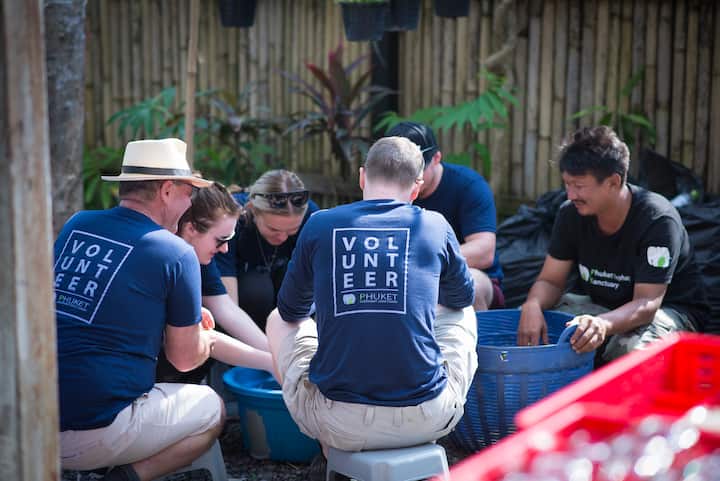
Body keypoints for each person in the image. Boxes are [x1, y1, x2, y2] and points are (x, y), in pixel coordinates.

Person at [265, 137, 478, 474]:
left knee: (277, 319)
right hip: (428, 418)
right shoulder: (435, 224)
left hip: (339, 422)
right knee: (462, 312)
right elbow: (461, 298)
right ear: (416, 187)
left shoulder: (320, 224)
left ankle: (329, 448)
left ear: (362, 176)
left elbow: (291, 311)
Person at [55, 138, 224, 481]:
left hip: (32, 416)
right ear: (166, 190)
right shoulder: (176, 252)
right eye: (189, 192)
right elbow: (184, 360)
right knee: (213, 408)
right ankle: (125, 477)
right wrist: (205, 338)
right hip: (99, 428)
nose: (190, 202)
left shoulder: (77, 224)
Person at [517, 126, 710, 365]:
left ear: (613, 182)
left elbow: (646, 304)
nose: (570, 195)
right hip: (601, 307)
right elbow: (550, 281)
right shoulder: (570, 213)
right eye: (567, 184)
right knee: (533, 324)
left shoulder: (658, 220)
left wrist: (602, 324)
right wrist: (532, 304)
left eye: (579, 186)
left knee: (630, 352)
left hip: (667, 312)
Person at [155, 181, 274, 384]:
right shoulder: (166, 260)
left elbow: (224, 308)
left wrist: (274, 357)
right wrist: (273, 361)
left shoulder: (198, 254)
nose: (225, 249)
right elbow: (197, 343)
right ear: (191, 229)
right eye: (221, 239)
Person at [385, 121, 504, 311]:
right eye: (399, 173)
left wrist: (422, 261)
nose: (407, 180)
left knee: (472, 285)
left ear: (436, 158)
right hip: (406, 275)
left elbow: (484, 252)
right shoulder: (386, 189)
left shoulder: (469, 186)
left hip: (471, 273)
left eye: (416, 170)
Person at [214, 169, 319, 331]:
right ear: (253, 210)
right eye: (273, 229)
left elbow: (319, 285)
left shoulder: (311, 216)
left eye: (292, 230)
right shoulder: (232, 218)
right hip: (245, 304)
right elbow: (227, 306)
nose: (282, 237)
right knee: (257, 288)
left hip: (288, 306)